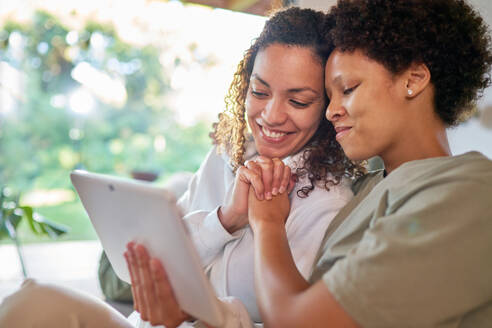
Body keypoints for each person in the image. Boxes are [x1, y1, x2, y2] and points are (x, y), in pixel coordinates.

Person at [124, 0, 492, 327]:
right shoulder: (368, 188)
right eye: (329, 96)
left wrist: (268, 221)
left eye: (347, 89)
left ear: (413, 80)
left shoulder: (467, 189)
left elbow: (300, 320)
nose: (332, 112)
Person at [0, 7, 362, 328]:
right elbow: (164, 255)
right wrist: (224, 219)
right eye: (260, 91)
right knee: (32, 301)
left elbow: (290, 318)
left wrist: (201, 314)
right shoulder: (228, 153)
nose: (270, 116)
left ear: (327, 106)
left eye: (298, 100)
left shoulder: (327, 204)